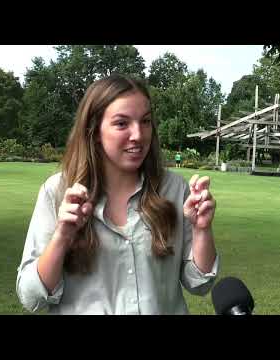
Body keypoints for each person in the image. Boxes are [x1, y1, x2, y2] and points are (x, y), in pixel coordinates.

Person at [16, 74, 219, 315]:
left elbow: (199, 283)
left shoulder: (174, 190)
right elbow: (31, 297)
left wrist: (201, 230)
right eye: (122, 123)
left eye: (145, 121)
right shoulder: (58, 193)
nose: (138, 134)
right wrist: (62, 236)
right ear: (94, 131)